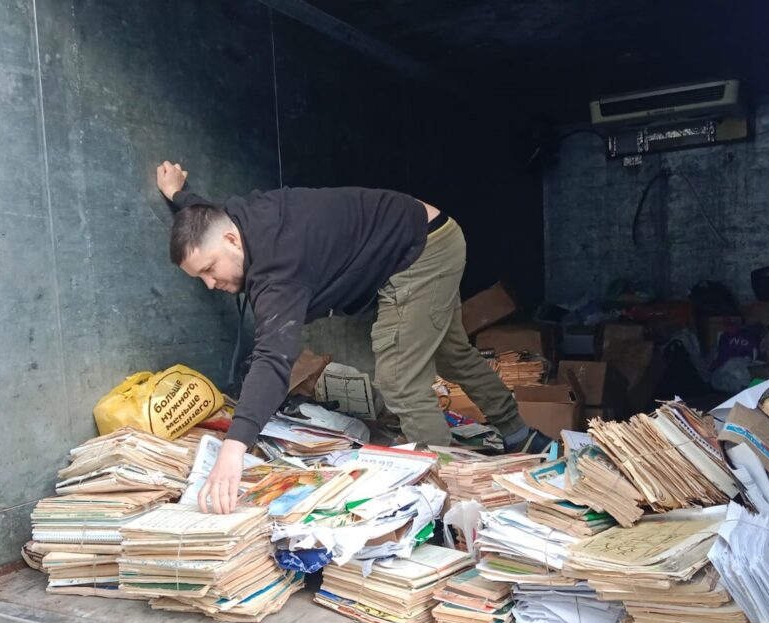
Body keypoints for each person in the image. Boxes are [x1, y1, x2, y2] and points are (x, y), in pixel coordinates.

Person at [156, 160, 550, 514]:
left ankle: (445, 500)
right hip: (431, 233)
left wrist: (234, 446)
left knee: (400, 379)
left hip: (420, 252)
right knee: (452, 354)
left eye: (209, 270)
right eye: (200, 276)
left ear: (232, 241)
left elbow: (273, 358)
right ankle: (519, 434)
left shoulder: (277, 269)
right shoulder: (238, 220)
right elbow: (206, 220)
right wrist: (178, 195)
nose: (210, 284)